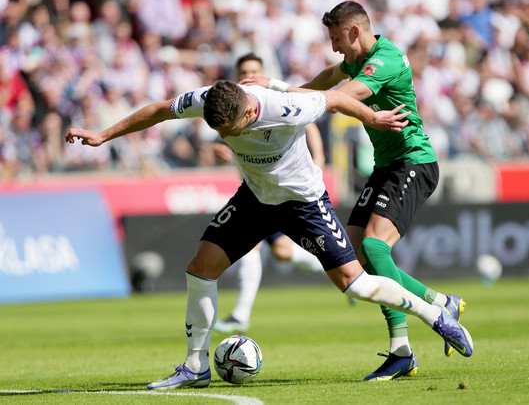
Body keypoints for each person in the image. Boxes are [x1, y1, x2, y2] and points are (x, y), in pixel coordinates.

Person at [65, 79, 473, 390]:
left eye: (228, 130)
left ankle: (435, 314)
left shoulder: (289, 107)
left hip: (303, 203)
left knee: (354, 283)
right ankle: (195, 366)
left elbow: (333, 99)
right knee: (200, 267)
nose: (224, 138)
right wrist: (104, 135)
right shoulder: (211, 99)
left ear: (247, 115)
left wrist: (372, 117)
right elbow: (158, 109)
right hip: (256, 198)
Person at [241, 0, 467, 381]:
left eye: (336, 39)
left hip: (413, 162)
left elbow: (337, 99)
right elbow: (325, 80)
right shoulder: (356, 59)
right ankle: (441, 303)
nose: (334, 47)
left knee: (376, 247)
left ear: (355, 31)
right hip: (387, 167)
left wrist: (275, 88)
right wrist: (280, 95)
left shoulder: (385, 60)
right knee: (355, 256)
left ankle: (402, 351)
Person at [213, 53, 325, 335]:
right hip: (259, 191)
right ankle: (339, 270)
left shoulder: (276, 99)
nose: (249, 75)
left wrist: (318, 161)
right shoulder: (233, 108)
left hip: (285, 192)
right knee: (283, 253)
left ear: (262, 73)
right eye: (244, 71)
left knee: (266, 249)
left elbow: (309, 123)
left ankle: (240, 315)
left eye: (254, 70)